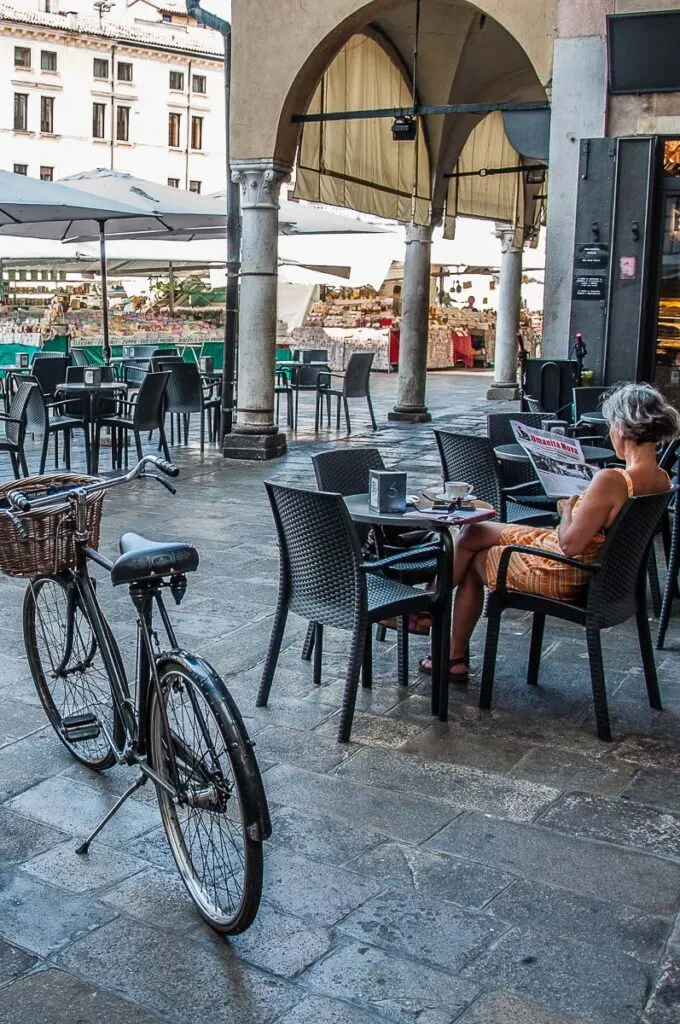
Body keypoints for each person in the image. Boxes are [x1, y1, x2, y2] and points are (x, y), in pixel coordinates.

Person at [420, 383, 679, 682]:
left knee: (474, 561)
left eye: (611, 426)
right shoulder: (661, 479)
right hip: (599, 571)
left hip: (564, 570)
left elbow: (570, 545)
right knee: (473, 532)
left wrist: (568, 510)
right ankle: (443, 637)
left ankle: (437, 628)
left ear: (621, 427)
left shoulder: (612, 480)